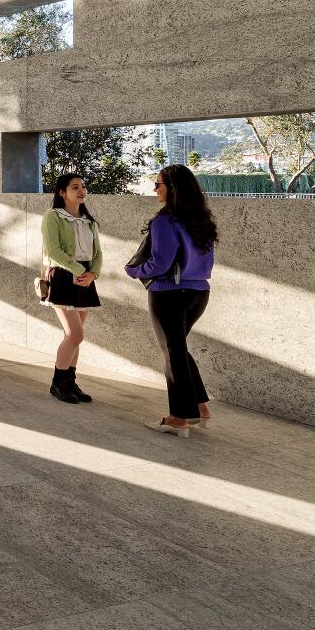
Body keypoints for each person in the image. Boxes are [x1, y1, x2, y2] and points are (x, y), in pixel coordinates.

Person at [125, 162, 219, 434]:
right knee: (177, 349)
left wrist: (134, 271)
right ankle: (199, 405)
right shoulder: (201, 219)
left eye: (159, 184)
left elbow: (160, 263)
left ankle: (179, 416)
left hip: (169, 293)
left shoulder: (166, 220)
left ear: (173, 188)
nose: (155, 189)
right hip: (199, 292)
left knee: (172, 352)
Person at [39, 172, 101, 403]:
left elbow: (98, 253)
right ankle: (58, 383)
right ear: (62, 193)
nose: (81, 190)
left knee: (76, 337)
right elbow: (53, 250)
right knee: (75, 334)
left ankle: (69, 382)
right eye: (75, 187)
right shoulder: (52, 216)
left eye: (83, 186)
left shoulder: (89, 221)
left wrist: (93, 273)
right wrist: (79, 271)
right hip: (64, 276)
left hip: (85, 278)